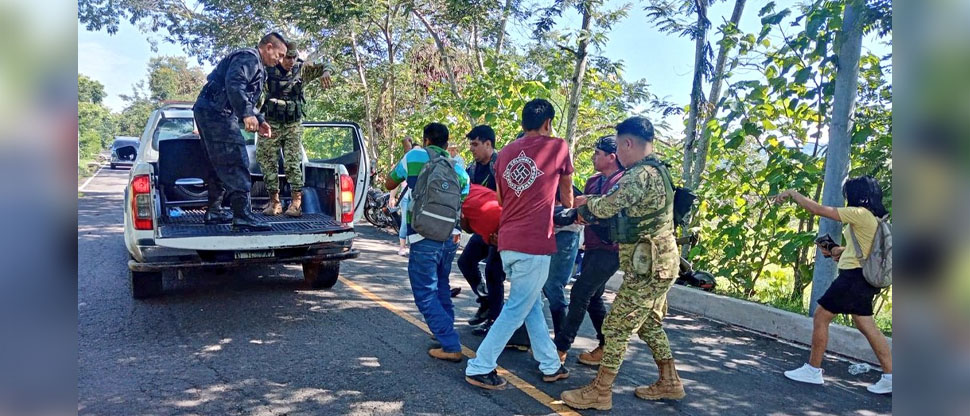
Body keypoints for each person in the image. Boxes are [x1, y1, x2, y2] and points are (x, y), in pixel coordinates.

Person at [561, 116, 683, 410]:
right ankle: (670, 381)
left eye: (618, 146)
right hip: (662, 263)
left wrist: (584, 206)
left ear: (628, 143)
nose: (617, 153)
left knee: (616, 327)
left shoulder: (639, 175)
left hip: (648, 267)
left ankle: (600, 392)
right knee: (649, 324)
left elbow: (607, 206)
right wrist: (590, 200)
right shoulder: (658, 170)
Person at [465, 98, 573, 390]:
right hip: (535, 241)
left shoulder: (506, 153)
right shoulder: (558, 147)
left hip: (508, 241)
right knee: (517, 308)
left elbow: (501, 199)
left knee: (531, 304)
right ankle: (480, 366)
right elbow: (567, 198)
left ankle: (551, 365)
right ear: (548, 123)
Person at [773, 176, 892, 395]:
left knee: (821, 316)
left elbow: (819, 210)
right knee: (867, 327)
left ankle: (813, 370)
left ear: (857, 195)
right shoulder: (874, 218)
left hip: (852, 278)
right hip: (863, 279)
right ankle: (891, 376)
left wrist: (792, 193)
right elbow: (862, 250)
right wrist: (838, 251)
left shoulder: (859, 213)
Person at [385, 123, 470, 362]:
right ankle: (443, 331)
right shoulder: (457, 166)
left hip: (423, 235)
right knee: (441, 284)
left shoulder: (414, 155)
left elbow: (389, 184)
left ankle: (450, 343)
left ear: (425, 140)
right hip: (450, 236)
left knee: (424, 292)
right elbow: (465, 194)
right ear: (446, 143)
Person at [193, 32, 287, 231]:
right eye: (278, 55)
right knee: (237, 160)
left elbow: (243, 95)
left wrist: (259, 119)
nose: (279, 61)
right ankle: (242, 215)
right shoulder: (249, 58)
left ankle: (215, 211)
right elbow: (235, 85)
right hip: (217, 113)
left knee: (218, 162)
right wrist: (246, 114)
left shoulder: (254, 62)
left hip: (211, 110)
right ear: (268, 47)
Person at [554, 135, 625, 365]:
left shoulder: (623, 181)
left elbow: (614, 213)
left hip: (612, 249)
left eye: (598, 153)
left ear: (611, 157)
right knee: (594, 295)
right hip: (593, 245)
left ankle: (561, 348)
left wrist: (591, 208)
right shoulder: (594, 181)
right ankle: (606, 345)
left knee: (580, 292)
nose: (594, 157)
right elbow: (581, 208)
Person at [257, 41, 335, 217]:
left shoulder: (302, 69)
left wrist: (326, 72)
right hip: (271, 123)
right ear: (282, 55)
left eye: (294, 57)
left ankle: (296, 204)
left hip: (292, 124)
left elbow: (327, 64)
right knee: (268, 161)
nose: (291, 61)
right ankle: (274, 202)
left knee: (293, 163)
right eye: (288, 57)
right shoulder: (268, 69)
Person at [456, 125, 505, 331]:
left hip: (503, 228)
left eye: (475, 144)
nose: (472, 149)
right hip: (482, 229)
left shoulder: (502, 166)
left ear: (488, 144)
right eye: (470, 145)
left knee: (494, 272)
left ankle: (495, 322)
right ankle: (485, 300)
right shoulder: (471, 170)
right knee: (465, 262)